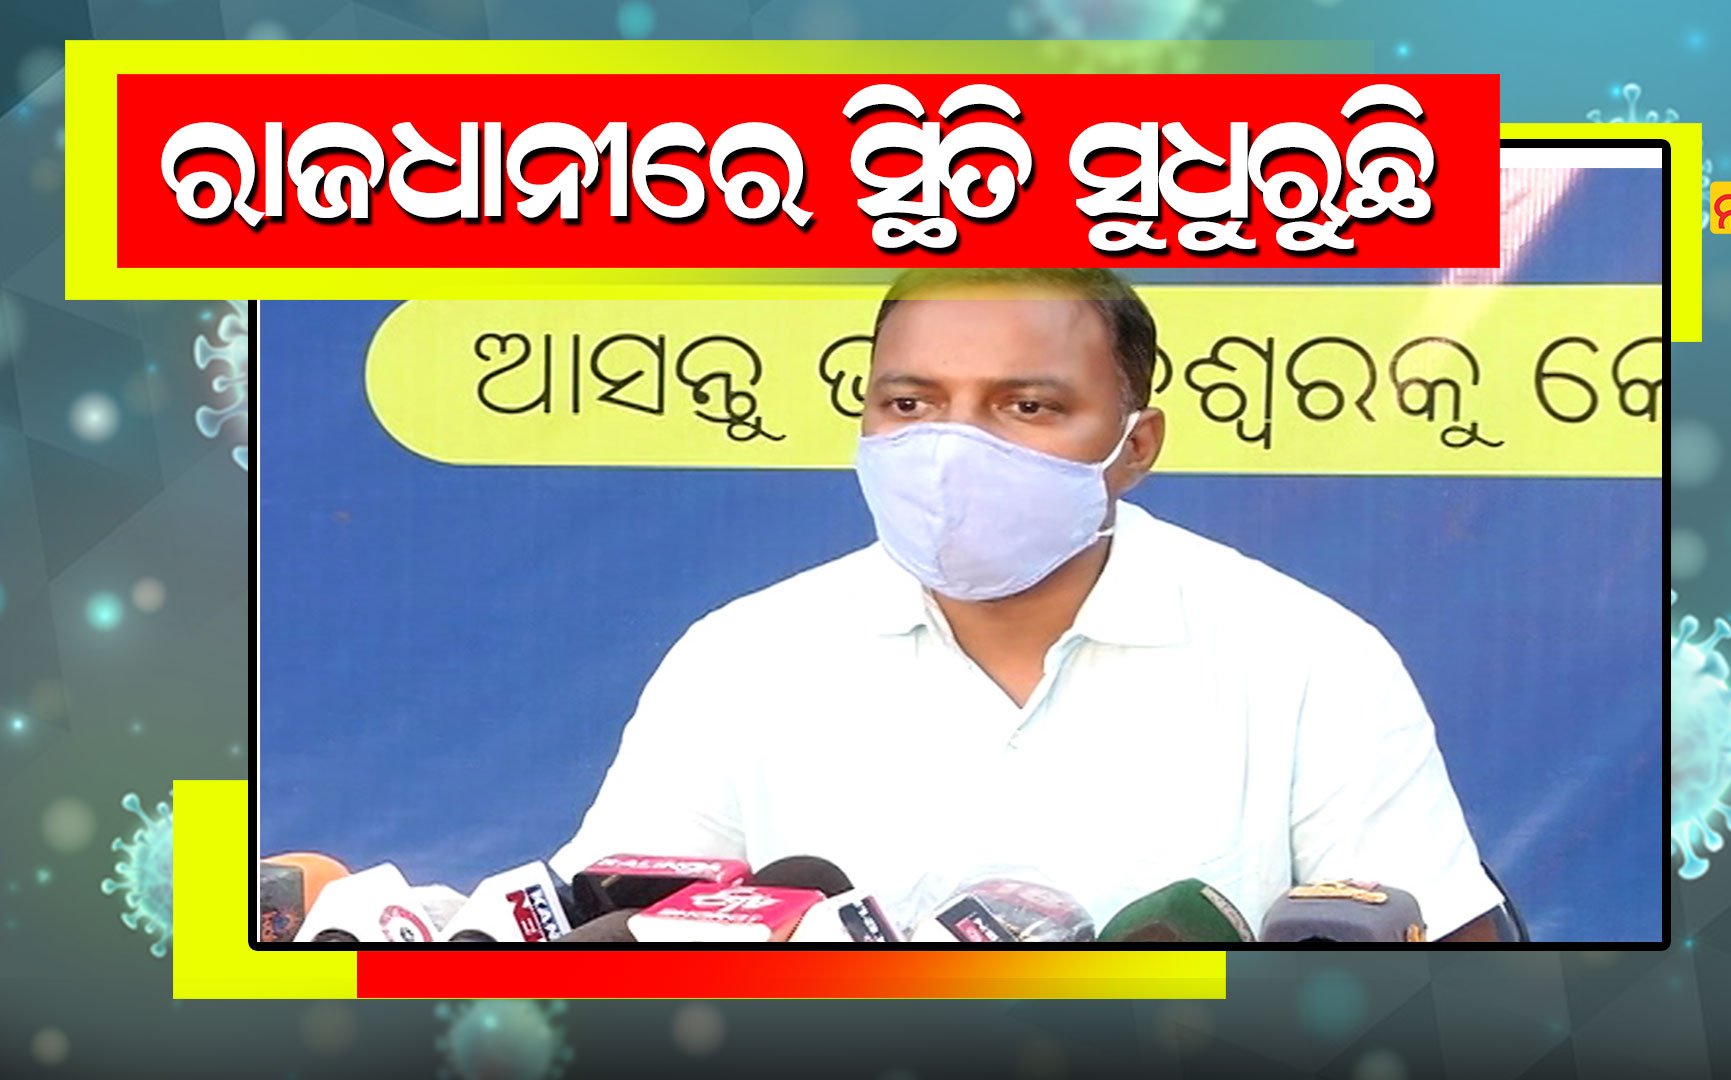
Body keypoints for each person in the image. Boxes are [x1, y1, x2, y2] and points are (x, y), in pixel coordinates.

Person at [551, 267, 1505, 941]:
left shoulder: (1308, 658)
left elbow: (1445, 979)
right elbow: (621, 930)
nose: (951, 450)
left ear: (1136, 446)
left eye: (1027, 406)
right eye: (910, 405)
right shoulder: (741, 657)